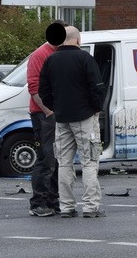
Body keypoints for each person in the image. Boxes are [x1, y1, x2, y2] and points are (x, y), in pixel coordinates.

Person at [38, 26, 107, 218]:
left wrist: (56, 107)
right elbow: (97, 87)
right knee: (89, 161)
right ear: (78, 40)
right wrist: (95, 108)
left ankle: (67, 206)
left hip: (61, 119)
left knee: (64, 163)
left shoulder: (50, 60)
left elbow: (43, 91)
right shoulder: (85, 58)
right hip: (84, 117)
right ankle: (90, 206)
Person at [26, 21, 68, 217]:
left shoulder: (58, 54)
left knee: (57, 159)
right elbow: (34, 88)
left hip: (54, 113)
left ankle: (52, 199)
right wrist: (49, 111)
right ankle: (38, 202)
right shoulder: (40, 55)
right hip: (43, 114)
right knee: (46, 158)